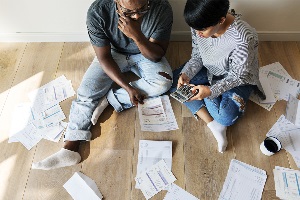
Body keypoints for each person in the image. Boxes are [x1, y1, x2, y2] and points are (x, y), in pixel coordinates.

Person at [32, 0, 173, 170]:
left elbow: (156, 56)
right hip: (113, 54)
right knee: (86, 92)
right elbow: (104, 58)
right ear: (116, 2)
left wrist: (137, 35)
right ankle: (70, 147)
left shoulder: (161, 8)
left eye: (143, 9)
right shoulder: (98, 12)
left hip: (146, 51)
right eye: (129, 12)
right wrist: (128, 88)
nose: (136, 15)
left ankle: (109, 99)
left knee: (163, 82)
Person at [170, 0, 265, 153]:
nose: (197, 33)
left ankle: (212, 110)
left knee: (226, 116)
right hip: (210, 70)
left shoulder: (244, 37)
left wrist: (210, 91)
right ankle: (213, 125)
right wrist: (186, 73)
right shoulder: (199, 24)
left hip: (236, 79)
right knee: (173, 80)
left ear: (221, 20)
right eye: (195, 29)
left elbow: (238, 76)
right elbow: (197, 55)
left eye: (202, 30)